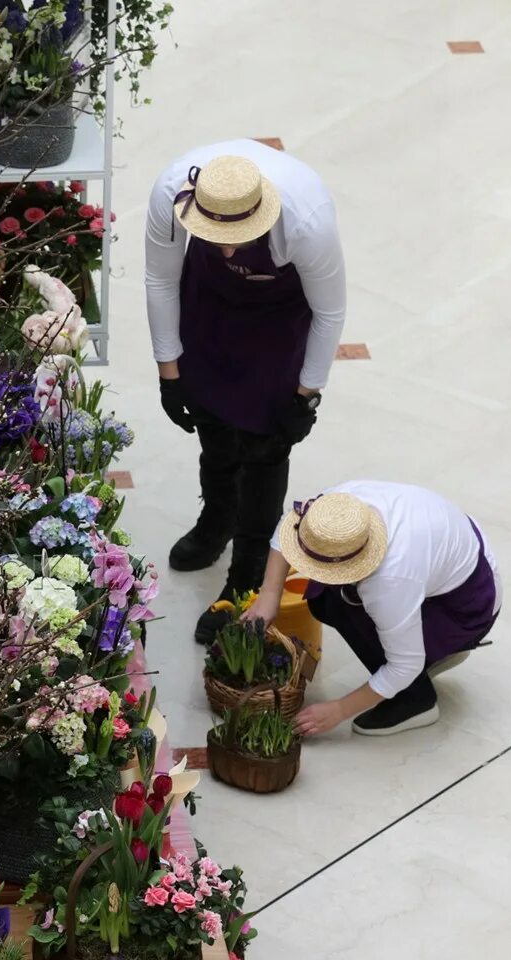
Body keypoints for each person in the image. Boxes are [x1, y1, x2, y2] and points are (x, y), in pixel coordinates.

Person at [145, 142, 347, 644]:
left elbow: (330, 312)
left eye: (240, 237)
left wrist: (306, 396)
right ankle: (216, 522)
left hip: (278, 319)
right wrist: (170, 375)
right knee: (212, 425)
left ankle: (246, 580)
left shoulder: (307, 221)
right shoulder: (171, 194)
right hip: (209, 305)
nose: (228, 249)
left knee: (264, 448)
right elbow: (160, 280)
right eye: (216, 236)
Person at [246, 483, 500, 737]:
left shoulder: (390, 580)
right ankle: (430, 654)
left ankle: (416, 700)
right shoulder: (340, 509)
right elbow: (287, 526)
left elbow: (405, 665)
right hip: (454, 557)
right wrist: (270, 595)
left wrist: (339, 709)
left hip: (469, 604)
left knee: (344, 607)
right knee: (325, 599)